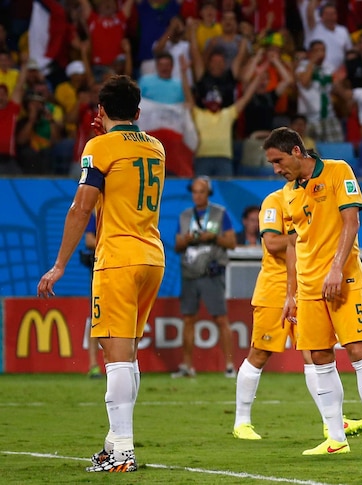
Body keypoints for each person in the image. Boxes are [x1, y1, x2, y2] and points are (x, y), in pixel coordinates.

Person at [37, 75, 166, 472]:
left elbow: (81, 207)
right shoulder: (156, 146)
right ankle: (114, 445)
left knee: (115, 357)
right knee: (127, 355)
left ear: (100, 111)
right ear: (139, 112)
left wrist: (59, 264)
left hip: (119, 258)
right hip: (152, 257)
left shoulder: (99, 146)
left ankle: (123, 453)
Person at [266, 127, 362, 458]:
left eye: (278, 161)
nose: (276, 169)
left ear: (296, 151)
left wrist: (335, 269)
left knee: (358, 350)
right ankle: (336, 438)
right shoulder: (289, 193)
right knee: (319, 356)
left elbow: (351, 223)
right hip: (308, 287)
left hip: (343, 280)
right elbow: (294, 246)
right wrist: (291, 294)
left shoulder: (337, 171)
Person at [232, 184, 362, 441]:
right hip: (274, 288)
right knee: (260, 353)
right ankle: (242, 421)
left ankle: (332, 424)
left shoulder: (312, 198)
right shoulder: (274, 201)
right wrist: (307, 238)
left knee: (313, 354)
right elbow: (272, 242)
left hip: (306, 286)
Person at [172, 176, 237, 378]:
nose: (197, 195)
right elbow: (176, 246)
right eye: (194, 191)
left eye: (201, 191)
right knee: (189, 319)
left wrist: (214, 238)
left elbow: (232, 243)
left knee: (220, 318)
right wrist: (187, 240)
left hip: (211, 271)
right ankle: (187, 366)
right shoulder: (184, 216)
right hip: (190, 272)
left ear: (208, 193)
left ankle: (229, 365)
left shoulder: (219, 213)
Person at [81, 215, 101, 378]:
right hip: (101, 268)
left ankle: (122, 362)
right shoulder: (96, 214)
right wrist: (113, 245)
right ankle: (93, 364)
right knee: (96, 317)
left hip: (123, 267)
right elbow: (89, 241)